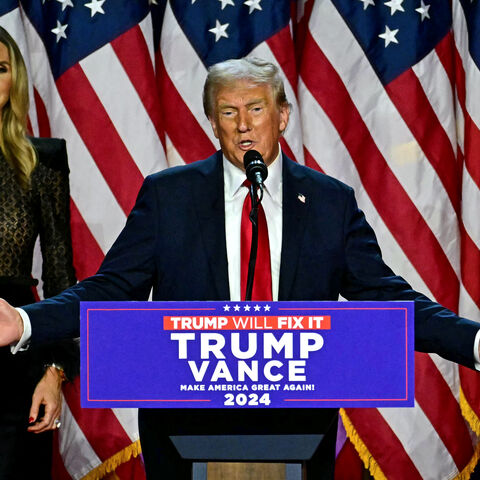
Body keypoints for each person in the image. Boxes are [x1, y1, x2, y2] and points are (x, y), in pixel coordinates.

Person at [0, 56, 479, 479]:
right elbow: (110, 289)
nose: (243, 125)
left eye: (256, 109)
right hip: (185, 428)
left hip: (296, 430)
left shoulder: (330, 203)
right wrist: (25, 321)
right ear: (212, 123)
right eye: (228, 112)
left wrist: (471, 341)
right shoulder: (170, 197)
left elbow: (387, 297)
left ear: (283, 116)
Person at [0, 27, 78, 479]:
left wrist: (54, 370)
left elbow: (61, 278)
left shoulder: (40, 162)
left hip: (17, 361)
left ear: (16, 81)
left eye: (1, 68)